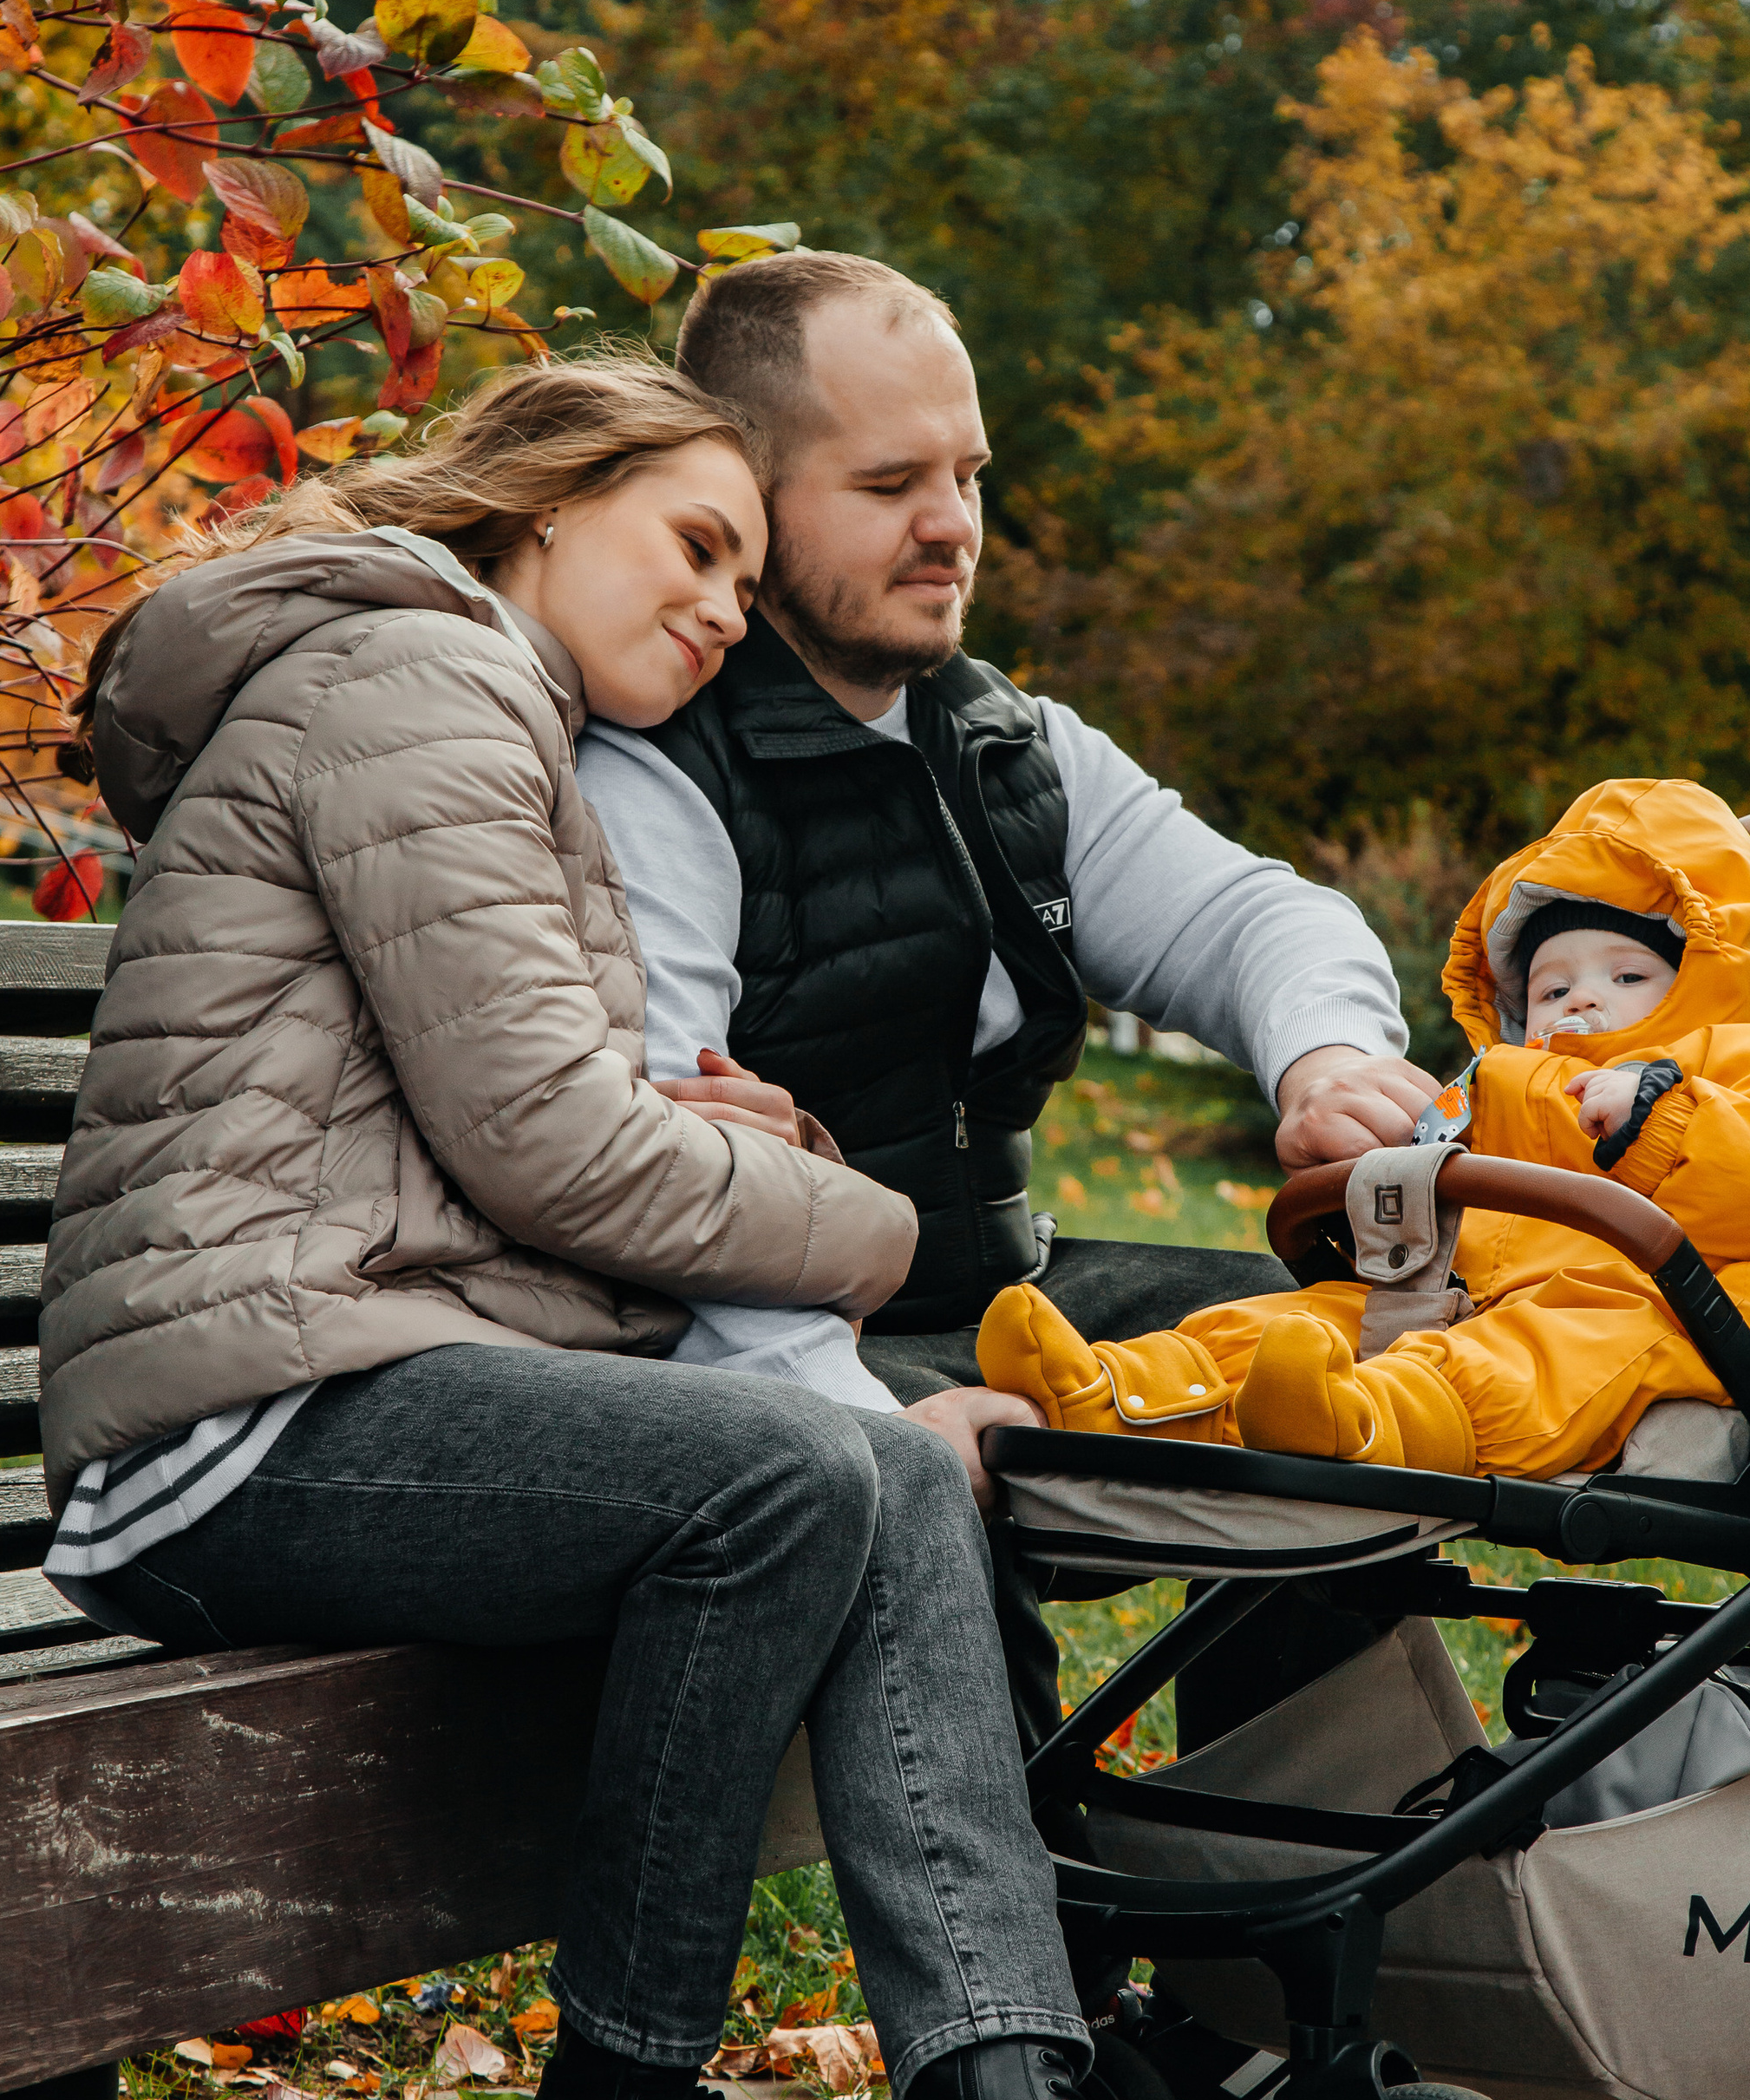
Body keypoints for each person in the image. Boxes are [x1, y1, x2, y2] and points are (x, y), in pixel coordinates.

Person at [40, 352, 1313, 2100]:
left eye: (742, 563)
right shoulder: (416, 684)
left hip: (362, 1375)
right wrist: (862, 1222)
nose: (723, 604)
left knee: (845, 1468)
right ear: (544, 501)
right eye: (691, 544)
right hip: (232, 1426)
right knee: (797, 1475)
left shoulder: (485, 708)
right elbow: (549, 1138)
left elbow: (530, 1132)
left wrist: (730, 1154)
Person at [576, 248, 1442, 1762]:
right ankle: (1041, 1961)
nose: (953, 527)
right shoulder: (657, 769)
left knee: (1361, 1365)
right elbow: (669, 1187)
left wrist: (1326, 1056)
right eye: (892, 482)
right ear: (752, 497)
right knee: (939, 1497)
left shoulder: (1004, 745)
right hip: (750, 1358)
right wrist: (870, 1427)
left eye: (971, 473)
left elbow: (1260, 913)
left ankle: (1273, 1918)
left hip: (1002, 1300)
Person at [979, 778, 1750, 1476]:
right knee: (1300, 1321)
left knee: (1523, 1360)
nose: (1584, 999)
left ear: (1702, 978)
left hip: (1643, 1312)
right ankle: (1112, 1392)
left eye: (1627, 975)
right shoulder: (1489, 1086)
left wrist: (1652, 1116)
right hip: (1449, 1288)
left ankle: (1364, 1426)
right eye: (1552, 986)